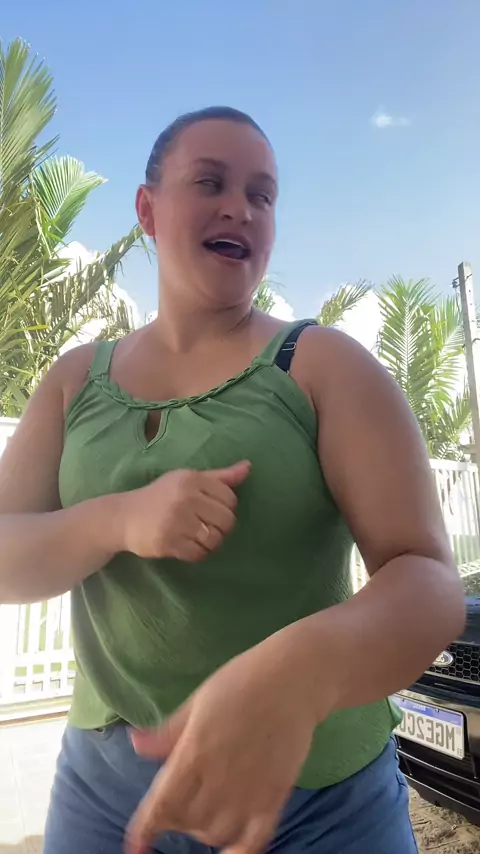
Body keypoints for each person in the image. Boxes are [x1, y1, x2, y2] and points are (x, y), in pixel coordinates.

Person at [0, 106, 464, 854]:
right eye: (210, 182)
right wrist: (119, 520)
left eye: (262, 194)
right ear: (147, 210)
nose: (240, 208)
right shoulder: (73, 381)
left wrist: (299, 676)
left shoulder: (324, 366)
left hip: (319, 801)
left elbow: (431, 583)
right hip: (105, 790)